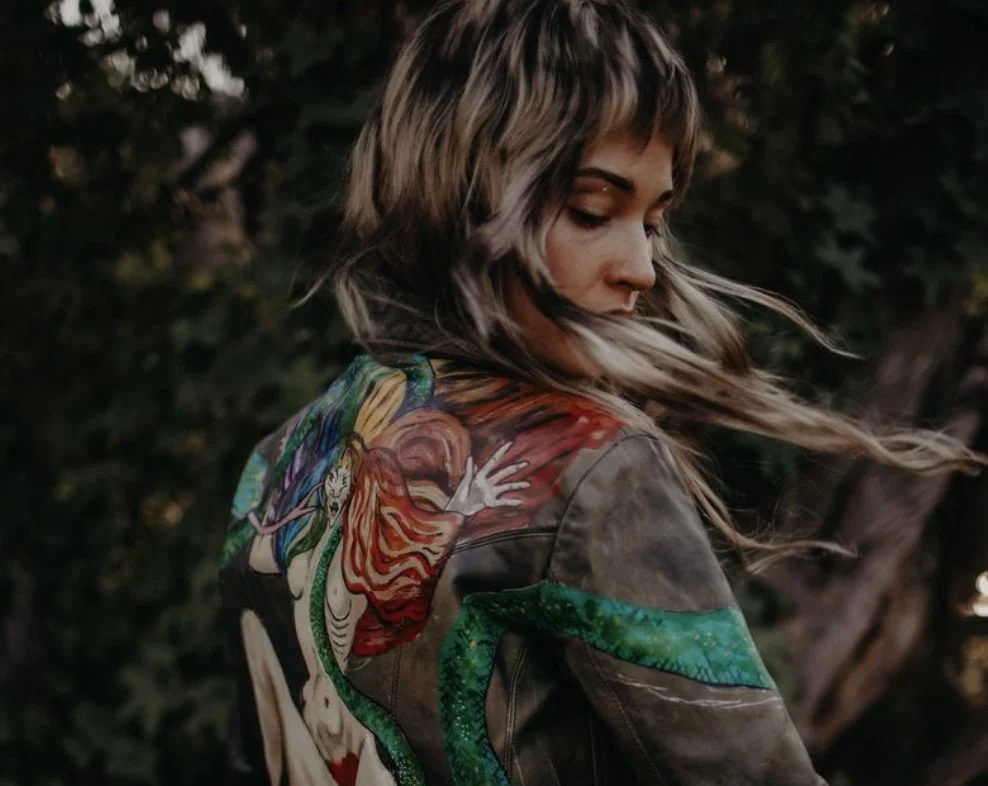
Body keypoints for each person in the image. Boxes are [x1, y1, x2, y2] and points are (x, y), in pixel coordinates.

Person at [217, 0, 985, 784]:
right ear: (462, 191)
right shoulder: (586, 466)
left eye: (653, 220)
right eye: (593, 210)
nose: (643, 269)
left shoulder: (274, 469)